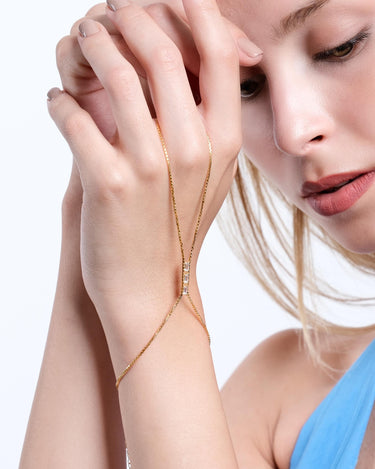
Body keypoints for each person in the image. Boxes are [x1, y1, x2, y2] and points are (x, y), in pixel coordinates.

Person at [19, 0, 375, 467]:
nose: (291, 132)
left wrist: (156, 294)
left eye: (339, 46)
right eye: (246, 86)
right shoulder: (289, 395)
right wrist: (102, 190)